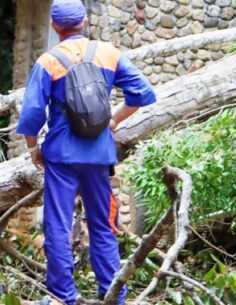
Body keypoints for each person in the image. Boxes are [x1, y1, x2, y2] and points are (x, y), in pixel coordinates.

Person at [16, 0, 158, 304]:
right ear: (83, 22)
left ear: (55, 26)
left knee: (57, 225)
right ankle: (112, 294)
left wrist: (32, 148)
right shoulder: (109, 54)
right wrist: (114, 121)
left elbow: (31, 113)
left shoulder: (48, 61)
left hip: (61, 157)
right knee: (103, 225)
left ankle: (63, 296)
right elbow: (143, 93)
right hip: (98, 156)